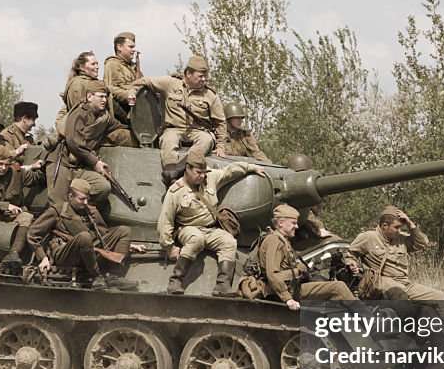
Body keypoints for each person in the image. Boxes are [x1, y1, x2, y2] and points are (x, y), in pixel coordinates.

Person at [348, 206, 444, 350]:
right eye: (396, 227)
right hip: (380, 282)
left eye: (400, 227)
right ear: (384, 225)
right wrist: (351, 263)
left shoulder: (400, 239)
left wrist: (410, 224)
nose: (398, 230)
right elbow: (349, 254)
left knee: (439, 296)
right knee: (399, 294)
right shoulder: (368, 237)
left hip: (403, 282)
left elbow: (422, 243)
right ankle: (411, 337)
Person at [157, 146, 265, 296]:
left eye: (203, 172)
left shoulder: (210, 177)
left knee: (229, 241)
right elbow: (165, 220)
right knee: (196, 238)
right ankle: (175, 281)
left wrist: (251, 167)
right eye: (198, 172)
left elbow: (230, 171)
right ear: (187, 169)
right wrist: (169, 247)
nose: (202, 176)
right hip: (188, 228)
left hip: (210, 229)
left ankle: (222, 286)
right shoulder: (176, 190)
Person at [25, 178, 143, 290]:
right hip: (66, 253)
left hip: (89, 250)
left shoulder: (90, 211)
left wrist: (129, 245)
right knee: (84, 237)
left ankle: (115, 276)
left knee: (124, 230)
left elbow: (103, 234)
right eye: (81, 199)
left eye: (87, 198)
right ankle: (96, 276)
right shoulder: (58, 210)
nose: (85, 202)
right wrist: (43, 258)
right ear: (70, 196)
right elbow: (33, 233)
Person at [137, 55, 228, 181]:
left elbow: (220, 122)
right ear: (189, 73)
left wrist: (221, 146)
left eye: (205, 76)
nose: (204, 79)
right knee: (168, 140)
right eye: (200, 76)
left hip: (199, 131)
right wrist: (130, 92)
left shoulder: (210, 95)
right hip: (173, 129)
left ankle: (177, 171)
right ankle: (171, 175)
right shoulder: (171, 83)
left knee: (206, 140)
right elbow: (145, 81)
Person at [257, 204, 357, 310]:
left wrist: (309, 265)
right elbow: (273, 273)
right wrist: (287, 298)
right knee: (338, 287)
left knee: (333, 287)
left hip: (291, 287)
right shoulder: (275, 241)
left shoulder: (282, 240)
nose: (296, 226)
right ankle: (371, 323)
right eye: (293, 223)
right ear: (281, 223)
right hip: (284, 291)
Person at [45, 80, 128, 207]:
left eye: (106, 97)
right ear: (89, 96)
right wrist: (95, 163)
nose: (104, 100)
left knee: (103, 187)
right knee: (58, 205)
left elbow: (120, 126)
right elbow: (74, 142)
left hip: (80, 166)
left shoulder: (104, 118)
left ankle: (79, 212)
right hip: (62, 162)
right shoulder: (79, 113)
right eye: (100, 96)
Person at [54, 51, 100, 136]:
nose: (97, 67)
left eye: (97, 64)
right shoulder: (79, 84)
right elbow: (79, 110)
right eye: (93, 64)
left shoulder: (92, 83)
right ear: (82, 67)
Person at [104, 31, 141, 125]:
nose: (133, 50)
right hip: (121, 115)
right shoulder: (112, 64)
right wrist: (131, 91)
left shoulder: (133, 67)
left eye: (134, 47)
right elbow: (112, 89)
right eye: (130, 47)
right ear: (119, 47)